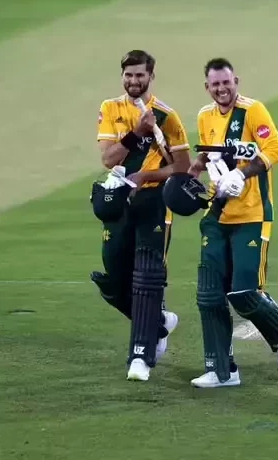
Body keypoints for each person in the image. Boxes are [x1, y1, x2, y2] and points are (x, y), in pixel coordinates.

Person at [185, 57, 278, 388]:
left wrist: (242, 172)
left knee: (244, 293)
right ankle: (222, 371)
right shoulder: (205, 116)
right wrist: (192, 173)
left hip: (252, 215)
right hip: (217, 214)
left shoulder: (253, 111)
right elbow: (208, 153)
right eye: (215, 84)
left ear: (236, 81)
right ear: (207, 87)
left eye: (227, 82)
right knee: (209, 295)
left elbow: (274, 149)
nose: (222, 89)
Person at [91, 49, 192, 381]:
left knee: (146, 280)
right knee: (114, 280)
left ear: (151, 77)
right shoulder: (110, 108)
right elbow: (108, 159)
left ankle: (141, 356)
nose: (134, 81)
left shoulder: (167, 116)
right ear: (122, 76)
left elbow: (182, 168)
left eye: (140, 75)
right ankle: (159, 324)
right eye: (128, 75)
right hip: (118, 201)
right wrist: (137, 132)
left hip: (154, 203)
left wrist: (147, 176)